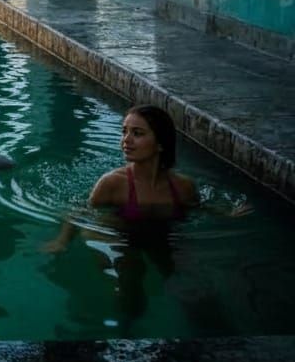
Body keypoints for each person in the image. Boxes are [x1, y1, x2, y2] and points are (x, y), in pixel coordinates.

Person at [43, 104, 200, 252]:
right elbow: (80, 211)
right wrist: (61, 241)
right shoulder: (112, 183)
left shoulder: (183, 186)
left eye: (137, 133)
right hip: (121, 239)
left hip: (164, 238)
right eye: (124, 131)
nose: (126, 139)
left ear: (160, 143)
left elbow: (200, 210)